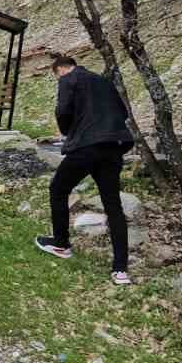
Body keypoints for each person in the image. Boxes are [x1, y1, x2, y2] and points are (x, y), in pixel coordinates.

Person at [36, 55, 135, 285]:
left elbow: (62, 111)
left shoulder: (68, 79)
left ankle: (61, 244)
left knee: (58, 189)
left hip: (86, 147)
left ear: (60, 69)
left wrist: (70, 132)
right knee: (113, 205)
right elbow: (123, 112)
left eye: (57, 75)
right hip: (113, 147)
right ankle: (120, 270)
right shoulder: (104, 81)